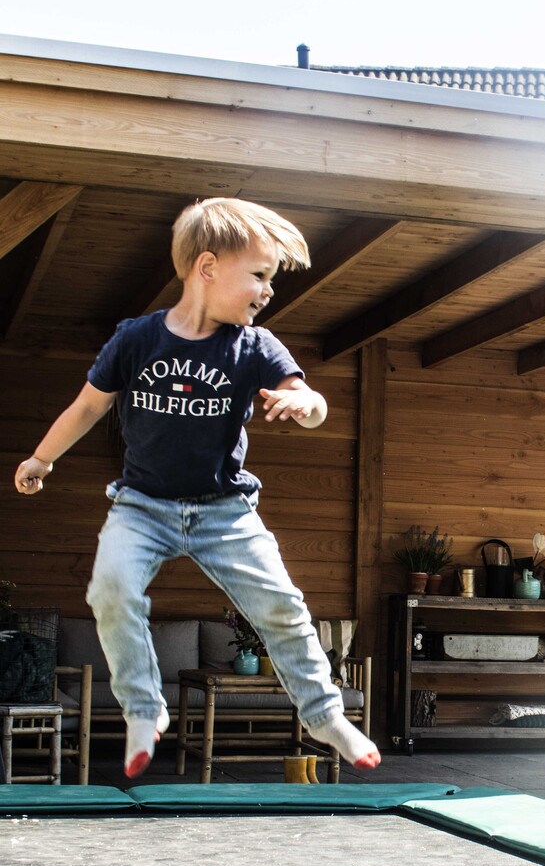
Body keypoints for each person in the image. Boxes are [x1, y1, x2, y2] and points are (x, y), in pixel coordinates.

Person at [13, 197, 381, 778]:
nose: (268, 291)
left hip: (226, 511)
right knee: (110, 592)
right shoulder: (136, 339)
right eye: (259, 275)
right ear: (207, 268)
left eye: (271, 280)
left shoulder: (255, 346)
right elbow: (87, 407)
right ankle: (142, 708)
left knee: (282, 607)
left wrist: (307, 403)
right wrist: (41, 458)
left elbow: (311, 403)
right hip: (142, 506)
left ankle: (322, 714)